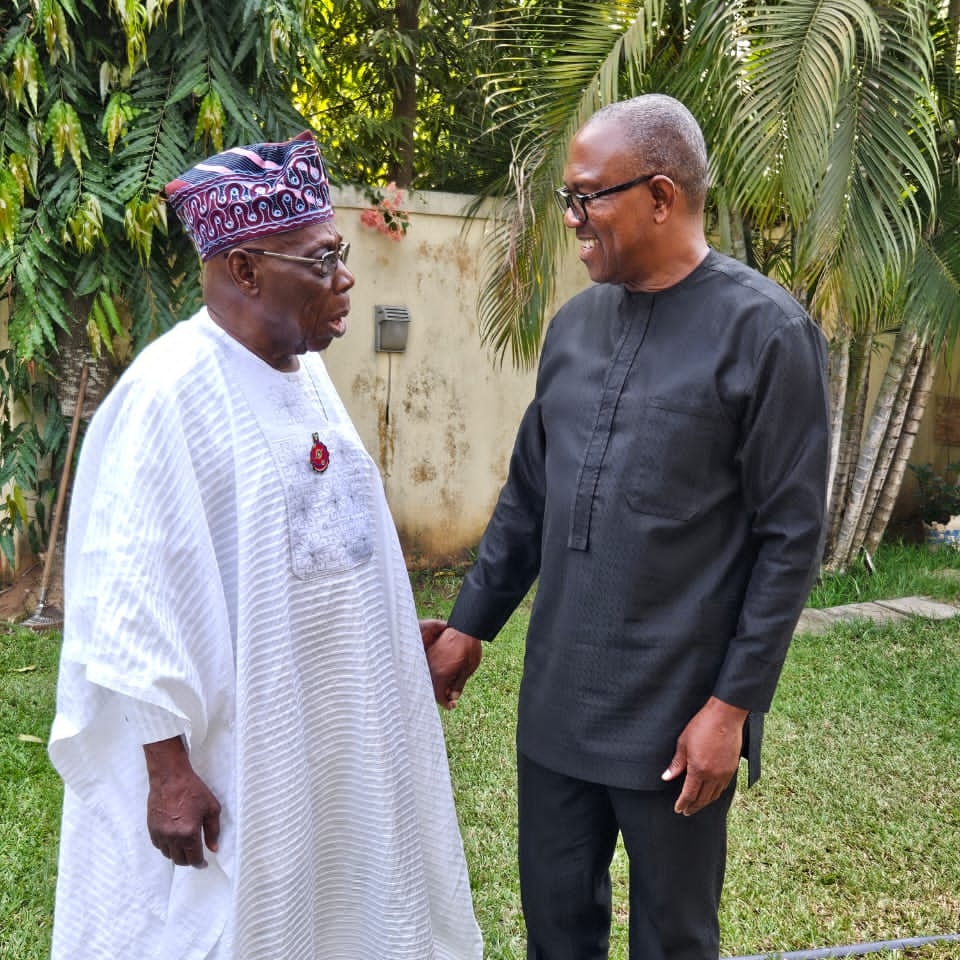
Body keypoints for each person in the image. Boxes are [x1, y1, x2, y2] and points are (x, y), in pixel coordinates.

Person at [48, 131, 483, 960]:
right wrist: (168, 772)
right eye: (321, 260)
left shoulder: (304, 373)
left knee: (344, 910)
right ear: (245, 269)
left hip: (330, 729)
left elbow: (321, 546)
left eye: (340, 254)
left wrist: (389, 636)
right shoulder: (168, 394)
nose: (345, 278)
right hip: (232, 754)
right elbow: (127, 600)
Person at [427, 94, 830, 959]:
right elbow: (529, 497)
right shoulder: (573, 329)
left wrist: (730, 709)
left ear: (659, 196)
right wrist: (468, 626)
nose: (571, 218)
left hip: (677, 718)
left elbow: (790, 541)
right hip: (557, 709)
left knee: (673, 941)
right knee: (557, 933)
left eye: (586, 197)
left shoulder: (767, 334)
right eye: (567, 198)